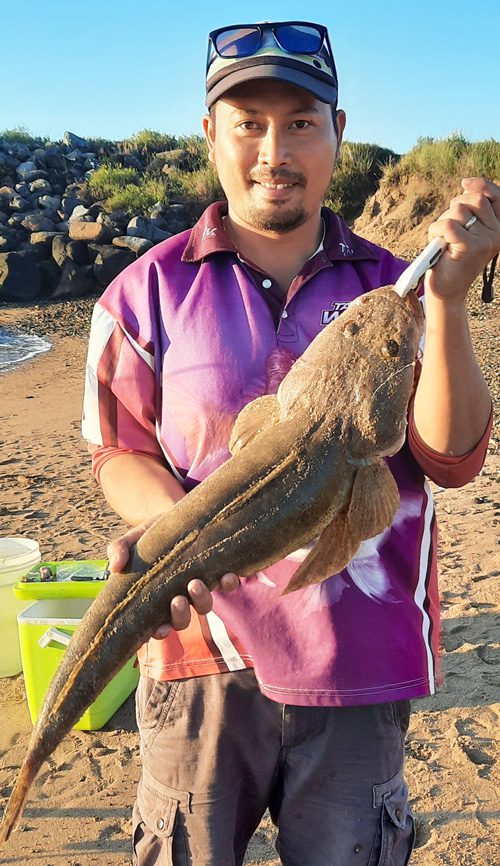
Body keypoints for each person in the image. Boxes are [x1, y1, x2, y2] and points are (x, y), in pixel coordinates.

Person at [82, 20, 498, 866]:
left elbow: (451, 459)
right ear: (211, 137)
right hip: (196, 651)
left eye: (302, 122)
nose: (275, 148)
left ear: (339, 135)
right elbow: (118, 448)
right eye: (249, 122)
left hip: (357, 660)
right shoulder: (143, 292)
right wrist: (179, 531)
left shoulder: (398, 287)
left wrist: (448, 305)